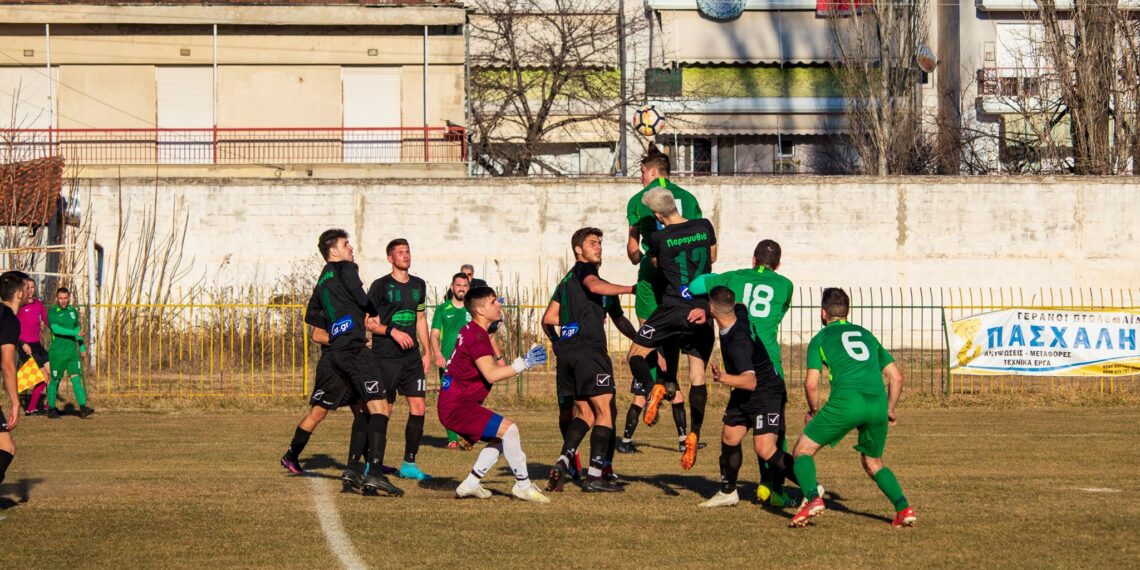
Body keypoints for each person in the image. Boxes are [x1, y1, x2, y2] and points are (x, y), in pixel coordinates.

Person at [789, 288, 916, 528]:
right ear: (847, 312)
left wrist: (814, 411)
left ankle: (813, 500)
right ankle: (904, 508)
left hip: (847, 401)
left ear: (823, 313)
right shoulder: (866, 334)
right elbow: (896, 377)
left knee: (803, 451)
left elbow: (811, 383)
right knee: (873, 460)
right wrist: (889, 409)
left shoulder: (821, 338)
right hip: (877, 402)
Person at [689, 239, 796, 506]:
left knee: (754, 425)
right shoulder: (785, 285)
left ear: (753, 259)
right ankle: (770, 487)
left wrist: (713, 280)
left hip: (743, 361)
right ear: (778, 264)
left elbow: (695, 286)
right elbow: (780, 311)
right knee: (773, 431)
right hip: (770, 360)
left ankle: (766, 489)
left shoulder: (733, 277)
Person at [619, 144, 703, 455]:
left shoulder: (638, 201)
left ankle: (648, 395)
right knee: (674, 356)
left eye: (642, 172)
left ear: (653, 172)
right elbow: (703, 246)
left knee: (644, 350)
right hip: (682, 285)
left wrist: (642, 257)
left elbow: (631, 251)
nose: (640, 178)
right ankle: (684, 433)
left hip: (651, 284)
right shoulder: (690, 199)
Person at [626, 187, 717, 471]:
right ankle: (695, 432)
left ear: (656, 215)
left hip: (672, 309)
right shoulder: (704, 226)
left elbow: (653, 262)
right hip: (702, 310)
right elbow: (712, 257)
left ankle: (654, 387)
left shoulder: (658, 237)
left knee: (636, 354)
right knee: (697, 375)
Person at [542, 228, 637, 493]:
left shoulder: (570, 283)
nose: (599, 247)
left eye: (600, 243)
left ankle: (563, 460)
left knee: (584, 412)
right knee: (605, 411)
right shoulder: (585, 273)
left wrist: (641, 339)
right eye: (592, 243)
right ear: (578, 250)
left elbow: (548, 319)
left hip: (569, 355)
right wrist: (632, 288)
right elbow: (594, 286)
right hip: (590, 352)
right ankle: (595, 475)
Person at [312, 229, 403, 497]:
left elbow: (312, 314)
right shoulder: (345, 268)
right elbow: (360, 295)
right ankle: (374, 473)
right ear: (334, 252)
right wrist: (372, 311)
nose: (350, 248)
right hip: (354, 350)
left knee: (364, 409)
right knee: (381, 408)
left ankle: (352, 470)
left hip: (336, 353)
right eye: (345, 244)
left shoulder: (323, 279)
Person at [440, 286, 550, 503]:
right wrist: (523, 363)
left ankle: (471, 484)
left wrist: (492, 329)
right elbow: (490, 374)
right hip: (458, 406)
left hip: (455, 403)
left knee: (501, 439)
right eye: (493, 302)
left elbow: (483, 342)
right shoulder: (476, 337)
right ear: (480, 310)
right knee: (510, 430)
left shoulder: (472, 329)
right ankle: (523, 486)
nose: (499, 304)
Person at [280, 290, 372, 494]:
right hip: (333, 367)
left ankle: (370, 464)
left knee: (365, 411)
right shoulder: (329, 304)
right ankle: (291, 455)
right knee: (319, 412)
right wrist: (348, 342)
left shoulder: (356, 305)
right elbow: (317, 335)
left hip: (354, 364)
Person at [368, 239, 433, 481]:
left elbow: (420, 319)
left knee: (419, 407)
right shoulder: (380, 285)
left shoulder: (419, 285)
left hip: (412, 359)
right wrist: (392, 331)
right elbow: (368, 322)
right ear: (390, 258)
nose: (406, 256)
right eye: (400, 252)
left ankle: (409, 463)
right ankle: (373, 463)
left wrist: (426, 351)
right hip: (385, 357)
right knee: (385, 410)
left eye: (408, 251)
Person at [430, 272, 472, 449]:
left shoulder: (473, 309)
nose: (461, 288)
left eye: (465, 285)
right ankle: (452, 438)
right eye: (458, 285)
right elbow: (434, 335)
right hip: (448, 362)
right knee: (450, 400)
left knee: (468, 400)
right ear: (452, 287)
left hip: (470, 362)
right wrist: (438, 353)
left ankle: (466, 434)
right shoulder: (442, 309)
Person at [45, 288, 93, 419]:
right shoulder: (53, 312)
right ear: (57, 298)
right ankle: (52, 409)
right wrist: (74, 333)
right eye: (60, 298)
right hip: (58, 352)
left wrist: (82, 347)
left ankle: (83, 408)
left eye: (65, 298)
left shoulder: (72, 311)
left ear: (69, 297)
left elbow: (77, 329)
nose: (63, 301)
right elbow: (56, 329)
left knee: (76, 378)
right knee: (55, 380)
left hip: (72, 351)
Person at [0, 271, 27, 490]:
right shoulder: (9, 319)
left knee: (6, 447)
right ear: (19, 294)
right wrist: (16, 402)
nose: (31, 292)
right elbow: (7, 365)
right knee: (6, 448)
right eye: (28, 288)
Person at [16, 278, 49, 416]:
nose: (30, 290)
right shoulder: (19, 307)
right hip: (26, 346)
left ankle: (38, 407)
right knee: (44, 376)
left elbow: (48, 321)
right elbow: (13, 329)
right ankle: (43, 407)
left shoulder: (39, 305)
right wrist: (22, 344)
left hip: (38, 346)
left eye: (32, 287)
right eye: (27, 287)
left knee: (52, 376)